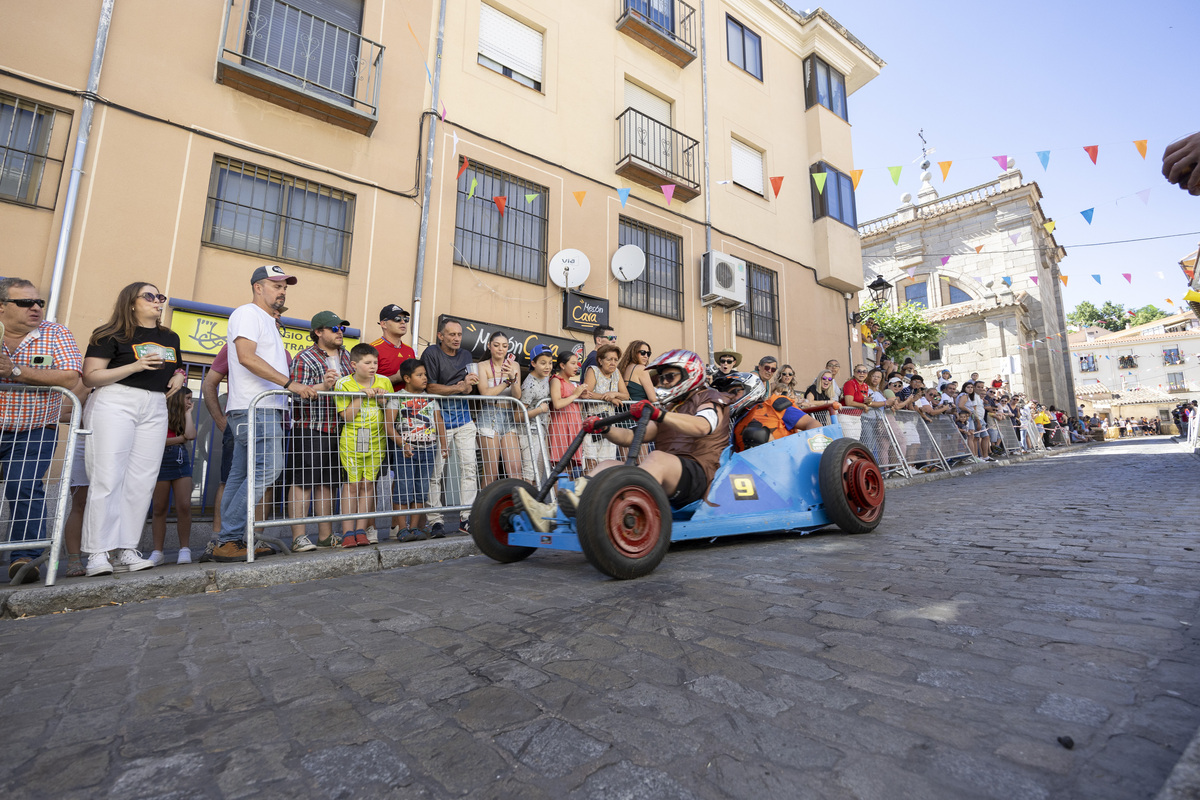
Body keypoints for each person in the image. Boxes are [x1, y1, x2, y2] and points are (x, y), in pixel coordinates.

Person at [515, 350, 731, 531]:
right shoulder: (670, 408)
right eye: (662, 378)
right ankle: (552, 513)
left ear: (689, 375)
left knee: (657, 457)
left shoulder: (709, 397)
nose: (663, 383)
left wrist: (660, 415)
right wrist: (604, 427)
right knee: (608, 465)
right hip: (672, 476)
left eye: (669, 377)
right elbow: (630, 437)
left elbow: (703, 426)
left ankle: (604, 503)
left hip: (700, 476)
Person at [207, 265, 318, 562]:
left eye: (285, 287)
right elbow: (245, 357)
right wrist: (290, 384)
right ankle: (230, 537)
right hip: (256, 408)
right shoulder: (247, 313)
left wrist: (299, 388)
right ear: (258, 287)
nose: (282, 291)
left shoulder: (267, 321)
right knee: (267, 470)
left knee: (240, 475)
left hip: (259, 408)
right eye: (276, 285)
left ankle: (229, 539)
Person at [80, 282, 185, 576]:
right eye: (149, 296)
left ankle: (127, 548)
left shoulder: (170, 336)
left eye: (160, 296)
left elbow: (174, 367)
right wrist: (134, 367)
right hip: (116, 400)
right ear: (131, 303)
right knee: (107, 476)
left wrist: (180, 376)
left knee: (142, 480)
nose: (157, 301)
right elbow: (91, 376)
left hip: (154, 405)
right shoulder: (109, 334)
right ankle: (98, 554)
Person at [0, 278, 85, 583]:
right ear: (2, 307)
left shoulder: (55, 332)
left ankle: (24, 559)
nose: (35, 308)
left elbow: (70, 376)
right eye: (25, 303)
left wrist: (17, 371)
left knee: (23, 488)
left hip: (35, 427)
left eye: (39, 302)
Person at [285, 311, 350, 551]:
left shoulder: (347, 356)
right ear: (318, 332)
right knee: (303, 482)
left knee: (329, 483)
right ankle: (299, 537)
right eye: (334, 329)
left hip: (339, 428)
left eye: (341, 328)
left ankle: (326, 536)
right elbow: (296, 397)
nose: (340, 332)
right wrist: (324, 386)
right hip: (311, 427)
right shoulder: (304, 358)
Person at [421, 318, 480, 538]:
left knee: (469, 469)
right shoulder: (431, 353)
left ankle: (466, 518)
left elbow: (467, 388)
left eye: (459, 335)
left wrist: (468, 386)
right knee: (435, 473)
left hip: (464, 419)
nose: (456, 338)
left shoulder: (465, 355)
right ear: (440, 336)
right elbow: (430, 387)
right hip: (439, 420)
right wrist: (459, 386)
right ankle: (435, 521)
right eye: (451, 334)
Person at [335, 343, 393, 547]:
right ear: (354, 364)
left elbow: (390, 412)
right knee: (352, 485)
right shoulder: (343, 384)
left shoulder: (385, 381)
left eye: (375, 362)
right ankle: (347, 532)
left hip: (376, 440)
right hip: (353, 439)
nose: (372, 366)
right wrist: (362, 394)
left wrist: (381, 398)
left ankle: (361, 530)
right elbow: (347, 417)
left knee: (368, 484)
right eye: (367, 362)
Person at [388, 359, 447, 542]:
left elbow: (439, 422)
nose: (424, 378)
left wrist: (444, 444)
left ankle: (414, 527)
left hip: (428, 449)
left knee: (421, 489)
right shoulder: (397, 397)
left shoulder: (431, 398)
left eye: (425, 375)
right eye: (419, 375)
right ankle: (402, 528)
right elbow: (389, 426)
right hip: (406, 450)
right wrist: (402, 444)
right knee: (403, 488)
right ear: (407, 378)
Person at [149, 387, 197, 565]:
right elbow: (156, 441)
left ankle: (184, 549)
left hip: (179, 459)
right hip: (160, 460)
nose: (190, 402)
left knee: (184, 505)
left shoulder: (183, 415)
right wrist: (179, 439)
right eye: (188, 398)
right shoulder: (160, 413)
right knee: (159, 507)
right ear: (177, 398)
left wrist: (189, 413)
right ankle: (157, 551)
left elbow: (190, 435)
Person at [475, 330, 524, 488]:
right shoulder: (481, 366)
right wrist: (507, 382)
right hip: (489, 414)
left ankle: (516, 508)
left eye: (504, 346)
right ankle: (482, 511)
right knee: (492, 472)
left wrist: (513, 378)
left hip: (509, 415)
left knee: (515, 469)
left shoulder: (514, 365)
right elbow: (485, 393)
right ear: (489, 346)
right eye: (496, 345)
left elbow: (517, 396)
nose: (500, 349)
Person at [582, 343, 629, 467]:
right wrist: (609, 399)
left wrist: (613, 394)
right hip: (592, 422)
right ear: (600, 360)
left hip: (609, 425)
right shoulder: (593, 370)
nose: (613, 363)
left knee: (606, 465)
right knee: (590, 462)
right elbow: (586, 394)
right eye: (609, 359)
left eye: (615, 360)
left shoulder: (616, 373)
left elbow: (626, 395)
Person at [547, 350, 588, 474]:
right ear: (562, 365)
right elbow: (557, 404)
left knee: (570, 467)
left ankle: (564, 493)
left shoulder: (573, 384)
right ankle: (556, 493)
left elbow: (576, 407)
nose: (577, 367)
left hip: (574, 426)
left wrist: (582, 397)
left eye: (577, 364)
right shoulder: (556, 380)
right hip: (560, 427)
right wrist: (575, 395)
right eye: (573, 363)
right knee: (559, 468)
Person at [519, 344, 555, 483]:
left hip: (542, 430)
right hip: (529, 432)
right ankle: (525, 503)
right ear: (533, 363)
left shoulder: (546, 377)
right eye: (543, 363)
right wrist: (540, 410)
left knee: (539, 472)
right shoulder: (529, 386)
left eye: (550, 363)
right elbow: (518, 416)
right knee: (530, 471)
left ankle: (535, 502)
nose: (548, 367)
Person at [372, 304, 416, 389]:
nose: (403, 322)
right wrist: (396, 377)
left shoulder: (409, 350)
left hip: (408, 401)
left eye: (405, 319)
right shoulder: (373, 349)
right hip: (382, 401)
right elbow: (366, 383)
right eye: (397, 319)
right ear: (383, 324)